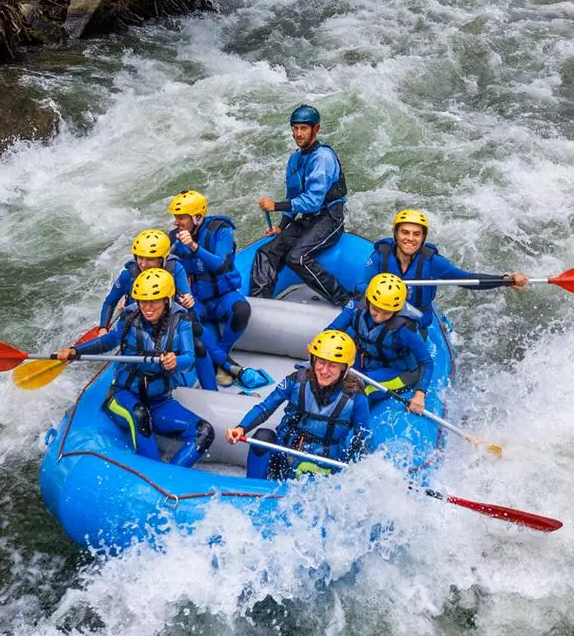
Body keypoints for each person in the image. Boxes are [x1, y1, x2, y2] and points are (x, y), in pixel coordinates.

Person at [58, 268, 214, 468]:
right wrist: (74, 351)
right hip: (123, 395)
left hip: (160, 401)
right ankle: (156, 472)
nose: (147, 308)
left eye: (153, 302)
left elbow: (189, 358)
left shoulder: (181, 320)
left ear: (167, 300)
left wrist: (176, 361)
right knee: (140, 414)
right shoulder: (130, 317)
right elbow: (107, 342)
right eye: (142, 301)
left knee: (204, 432)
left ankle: (169, 475)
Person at [225, 330, 371, 480]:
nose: (324, 370)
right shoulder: (295, 380)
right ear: (313, 360)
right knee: (263, 436)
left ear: (344, 368)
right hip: (285, 451)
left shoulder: (356, 398)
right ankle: (254, 489)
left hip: (322, 463)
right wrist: (241, 427)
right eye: (321, 362)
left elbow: (362, 438)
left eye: (333, 365)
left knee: (306, 469)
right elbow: (265, 408)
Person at [356, 209, 529, 330]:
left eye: (416, 234)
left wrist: (505, 280)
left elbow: (468, 279)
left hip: (413, 319)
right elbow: (361, 285)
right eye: (405, 233)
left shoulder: (433, 262)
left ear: (423, 237)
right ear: (396, 234)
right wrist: (384, 299)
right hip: (381, 310)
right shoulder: (381, 255)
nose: (410, 238)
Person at [250, 104, 353, 306]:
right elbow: (294, 196)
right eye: (295, 128)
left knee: (297, 257)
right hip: (307, 220)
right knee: (266, 253)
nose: (298, 133)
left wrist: (276, 206)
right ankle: (258, 305)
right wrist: (282, 225)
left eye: (304, 128)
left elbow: (313, 201)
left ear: (316, 129)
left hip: (328, 219)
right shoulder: (295, 158)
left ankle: (344, 298)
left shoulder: (322, 157)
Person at [168, 189, 267, 389]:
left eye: (181, 217)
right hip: (197, 297)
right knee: (185, 318)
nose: (176, 222)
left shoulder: (222, 231)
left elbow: (221, 265)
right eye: (175, 217)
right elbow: (161, 266)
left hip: (223, 295)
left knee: (242, 310)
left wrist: (194, 247)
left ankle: (221, 357)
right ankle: (227, 364)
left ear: (197, 217)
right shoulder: (174, 237)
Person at [328, 273, 433, 413]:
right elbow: (331, 331)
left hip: (397, 371)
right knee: (333, 378)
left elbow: (426, 362)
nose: (379, 317)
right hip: (366, 359)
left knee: (359, 388)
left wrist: (420, 394)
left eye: (386, 313)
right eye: (376, 310)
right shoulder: (356, 306)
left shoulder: (405, 329)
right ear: (368, 301)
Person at [98, 229, 196, 331]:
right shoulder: (127, 275)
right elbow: (109, 303)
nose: (143, 264)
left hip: (167, 323)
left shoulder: (175, 269)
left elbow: (186, 297)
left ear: (162, 259)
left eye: (150, 259)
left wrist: (188, 301)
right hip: (136, 324)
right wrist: (103, 328)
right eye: (140, 258)